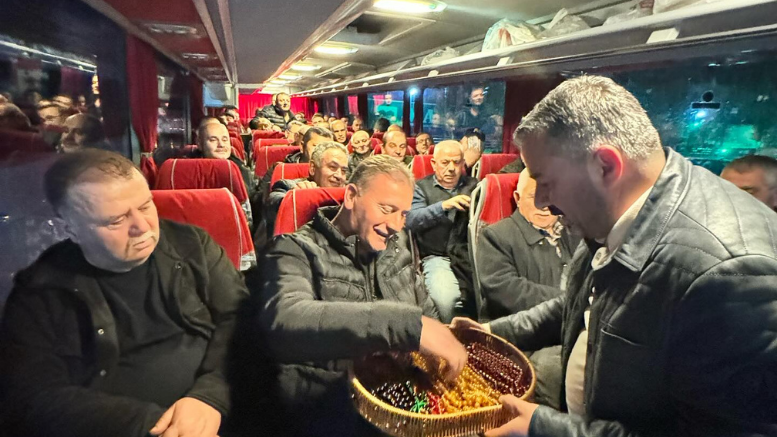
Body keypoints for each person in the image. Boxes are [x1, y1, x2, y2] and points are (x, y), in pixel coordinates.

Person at [451, 75, 777, 437]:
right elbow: (577, 304)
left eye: (546, 181)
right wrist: (485, 334)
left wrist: (545, 428)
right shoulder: (609, 215)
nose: (541, 200)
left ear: (605, 165)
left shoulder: (728, 272)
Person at [0, 149, 248, 437]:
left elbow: (240, 320)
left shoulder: (192, 245)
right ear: (72, 230)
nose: (142, 227)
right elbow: (33, 395)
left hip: (218, 409)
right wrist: (154, 424)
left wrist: (211, 395)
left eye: (145, 206)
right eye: (116, 220)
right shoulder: (41, 291)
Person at [252, 154, 466, 436]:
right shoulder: (294, 249)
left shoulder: (398, 245)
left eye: (403, 214)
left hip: (403, 407)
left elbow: (425, 314)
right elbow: (285, 320)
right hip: (333, 410)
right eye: (387, 209)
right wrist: (404, 325)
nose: (396, 225)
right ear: (352, 196)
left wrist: (448, 337)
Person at [476, 169, 580, 410]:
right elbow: (507, 291)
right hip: (523, 337)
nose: (544, 205)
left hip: (570, 327)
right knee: (556, 367)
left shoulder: (574, 232)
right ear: (517, 197)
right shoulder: (496, 236)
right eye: (535, 196)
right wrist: (569, 301)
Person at [406, 140, 478, 323]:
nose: (451, 168)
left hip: (470, 256)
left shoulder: (475, 186)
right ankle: (450, 334)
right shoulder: (420, 188)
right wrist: (443, 206)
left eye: (456, 162)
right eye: (445, 162)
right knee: (446, 301)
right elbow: (411, 219)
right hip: (437, 256)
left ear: (463, 163)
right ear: (434, 163)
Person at [265, 141, 349, 239]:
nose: (339, 176)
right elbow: (274, 201)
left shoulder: (349, 196)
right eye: (332, 167)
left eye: (344, 171)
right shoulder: (288, 186)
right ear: (313, 168)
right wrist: (298, 197)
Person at [197, 121, 254, 194]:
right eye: (213, 140)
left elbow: (252, 197)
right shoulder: (190, 170)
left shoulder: (242, 169)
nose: (221, 145)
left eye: (225, 140)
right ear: (199, 144)